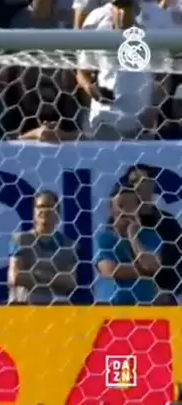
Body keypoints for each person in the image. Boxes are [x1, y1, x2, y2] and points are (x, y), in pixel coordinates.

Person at [76, 0, 175, 140]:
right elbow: (82, 72)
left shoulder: (158, 17)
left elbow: (166, 75)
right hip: (102, 121)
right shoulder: (96, 18)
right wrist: (92, 90)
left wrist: (153, 111)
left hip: (142, 125)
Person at [93, 186, 163, 305]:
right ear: (111, 209)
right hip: (111, 307)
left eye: (131, 206)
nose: (126, 210)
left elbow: (153, 266)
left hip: (145, 306)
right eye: (122, 205)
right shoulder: (102, 238)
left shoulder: (151, 235)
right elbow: (110, 270)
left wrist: (133, 236)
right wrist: (145, 272)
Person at [124, 165, 182, 303]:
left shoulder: (168, 222)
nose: (138, 185)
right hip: (131, 297)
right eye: (133, 181)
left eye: (143, 180)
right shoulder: (122, 222)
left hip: (167, 296)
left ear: (152, 184)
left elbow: (178, 259)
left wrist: (170, 291)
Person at [7, 190, 78, 304]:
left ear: (58, 212)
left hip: (56, 309)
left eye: (49, 207)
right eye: (40, 206)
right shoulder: (20, 240)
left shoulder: (68, 244)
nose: (44, 210)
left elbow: (70, 281)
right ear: (34, 212)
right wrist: (53, 278)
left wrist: (35, 275)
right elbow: (15, 277)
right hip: (24, 307)